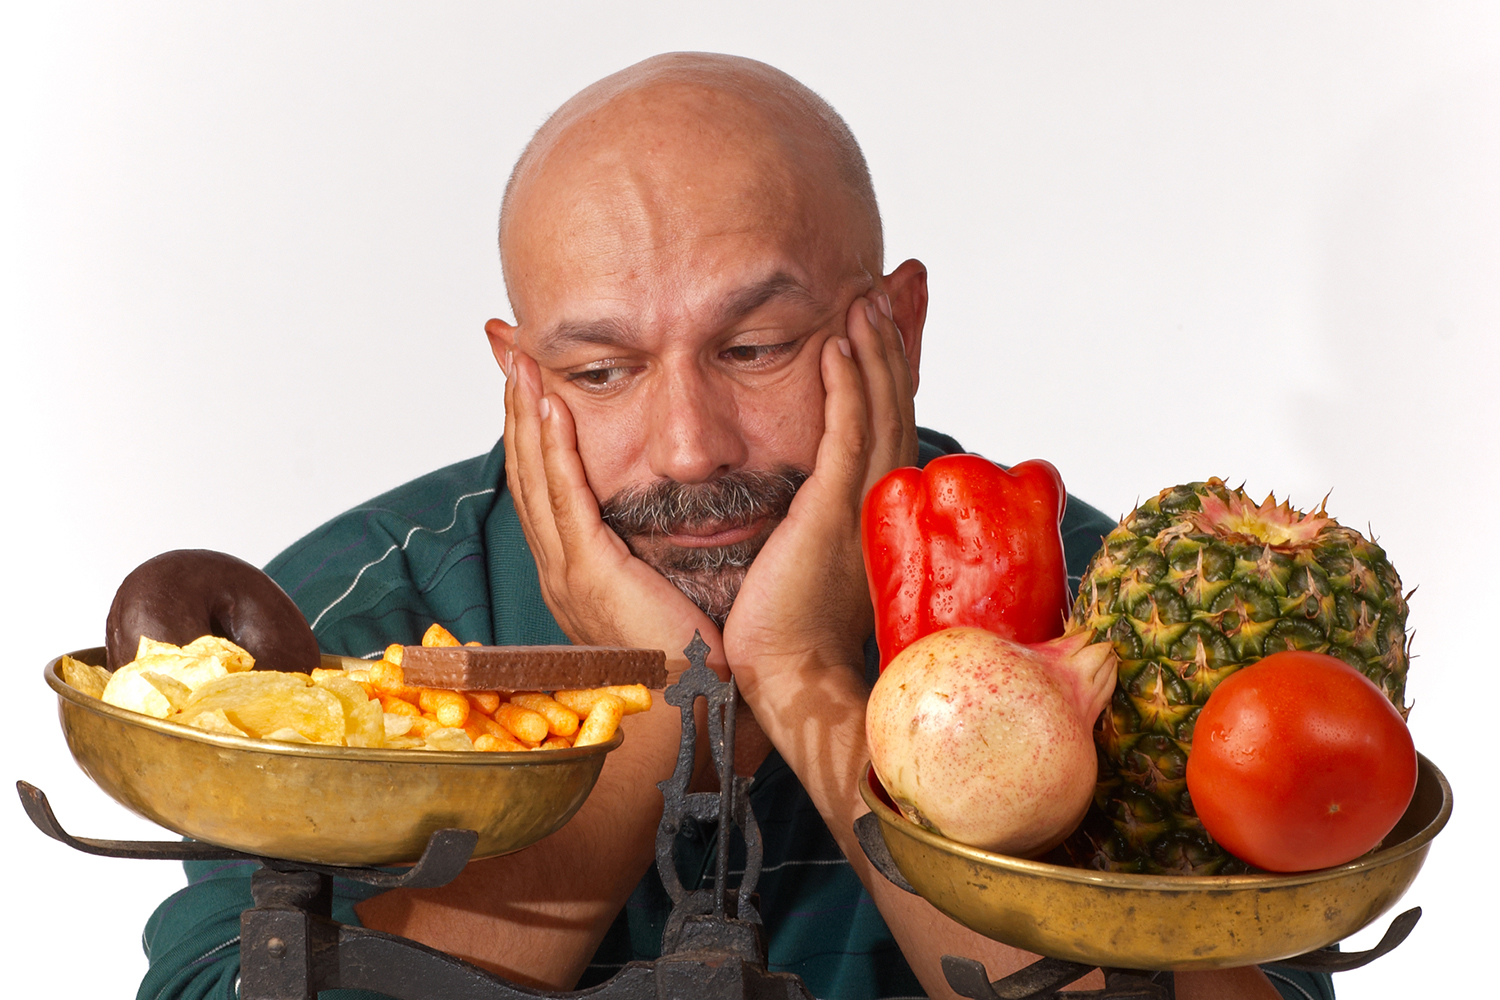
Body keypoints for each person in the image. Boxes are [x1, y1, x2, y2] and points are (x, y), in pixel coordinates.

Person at [138, 53, 1331, 1000]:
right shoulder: (350, 624)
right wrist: (663, 708)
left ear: (897, 329)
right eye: (601, 371)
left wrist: (806, 684)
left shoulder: (1115, 618)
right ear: (518, 376)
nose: (690, 445)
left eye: (756, 349)